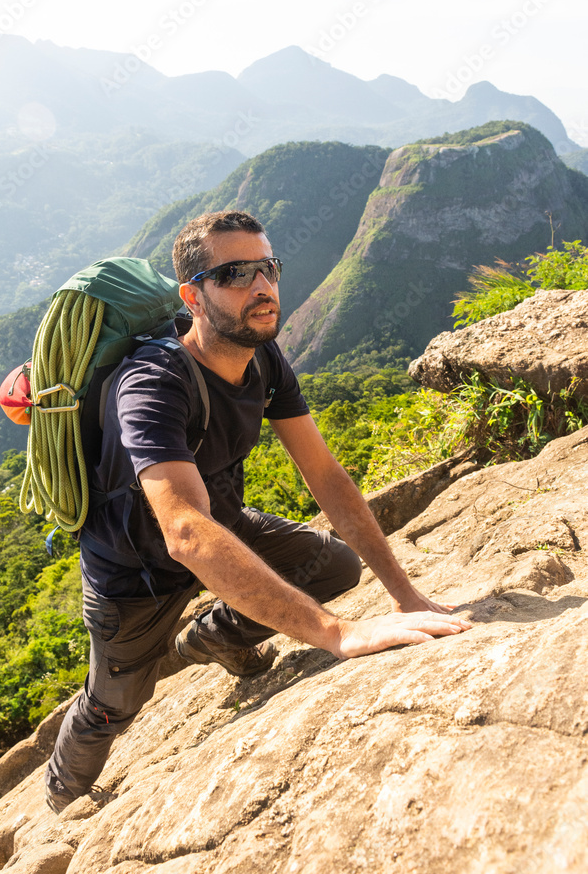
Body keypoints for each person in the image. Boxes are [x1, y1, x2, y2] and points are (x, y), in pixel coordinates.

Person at [45, 210, 471, 813]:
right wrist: (336, 633)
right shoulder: (151, 383)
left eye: (269, 267)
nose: (263, 286)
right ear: (192, 295)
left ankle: (211, 639)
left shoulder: (262, 359)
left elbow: (325, 475)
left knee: (334, 567)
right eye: (236, 273)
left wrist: (405, 594)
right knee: (113, 703)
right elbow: (186, 533)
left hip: (225, 526)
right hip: (132, 573)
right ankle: (63, 795)